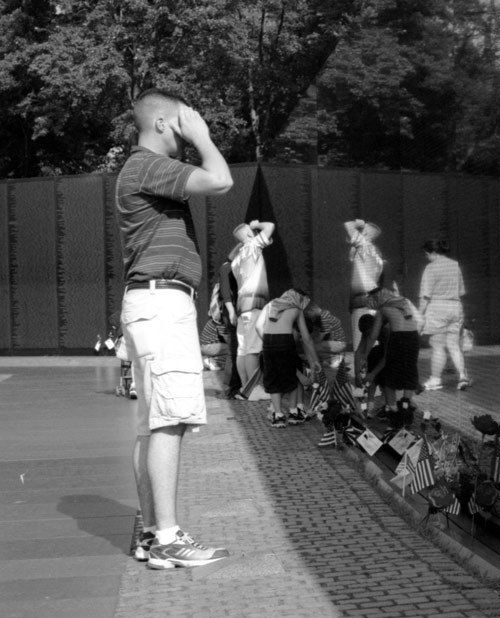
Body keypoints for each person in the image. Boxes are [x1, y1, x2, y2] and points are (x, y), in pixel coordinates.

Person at [116, 88, 233, 569]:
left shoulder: (141, 169)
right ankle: (166, 536)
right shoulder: (147, 164)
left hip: (151, 301)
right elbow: (221, 180)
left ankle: (150, 534)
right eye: (183, 123)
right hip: (162, 303)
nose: (188, 132)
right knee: (171, 419)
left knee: (151, 424)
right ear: (164, 124)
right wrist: (203, 137)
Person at [256, 289, 322, 428]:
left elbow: (257, 326)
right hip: (286, 340)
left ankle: (278, 415)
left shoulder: (270, 305)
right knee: (291, 375)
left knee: (272, 377)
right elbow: (306, 337)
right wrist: (315, 360)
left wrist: (269, 342)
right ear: (298, 298)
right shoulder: (296, 308)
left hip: (268, 341)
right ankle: (293, 413)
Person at [354, 286, 422, 414]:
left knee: (390, 377)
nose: (370, 307)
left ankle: (393, 410)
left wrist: (365, 358)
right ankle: (406, 405)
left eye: (370, 303)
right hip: (414, 338)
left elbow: (373, 336)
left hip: (399, 337)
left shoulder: (382, 309)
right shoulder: (403, 302)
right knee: (410, 372)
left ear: (377, 298)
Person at [418, 239, 471, 391]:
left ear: (433, 252)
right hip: (455, 306)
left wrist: (419, 315)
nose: (427, 257)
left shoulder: (431, 267)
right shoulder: (455, 265)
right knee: (454, 345)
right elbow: (461, 291)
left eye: (427, 254)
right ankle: (462, 376)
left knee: (438, 347)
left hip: (437, 308)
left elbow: (425, 296)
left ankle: (435, 380)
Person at [231, 219, 275, 389]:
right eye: (253, 232)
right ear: (249, 235)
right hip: (255, 303)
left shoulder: (237, 258)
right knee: (253, 349)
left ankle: (244, 387)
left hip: (242, 306)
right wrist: (256, 224)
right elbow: (270, 226)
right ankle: (253, 389)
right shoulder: (252, 246)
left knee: (242, 349)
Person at [344, 219, 385, 350]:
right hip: (374, 301)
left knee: (360, 345)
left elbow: (348, 225)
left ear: (366, 234)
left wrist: (360, 223)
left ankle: (361, 369)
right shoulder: (376, 253)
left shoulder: (364, 246)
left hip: (362, 301)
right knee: (374, 343)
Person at [217, 257, 242, 398]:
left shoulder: (228, 267)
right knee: (236, 348)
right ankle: (233, 387)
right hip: (234, 311)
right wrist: (232, 311)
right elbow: (225, 292)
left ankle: (231, 385)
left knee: (235, 348)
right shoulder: (228, 267)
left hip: (233, 310)